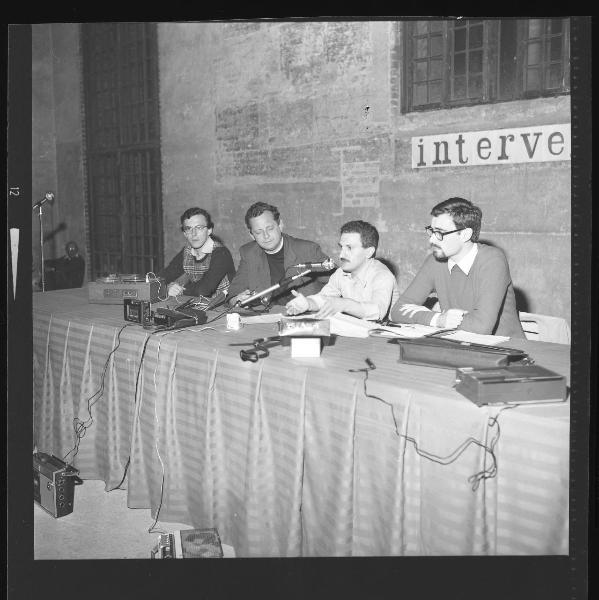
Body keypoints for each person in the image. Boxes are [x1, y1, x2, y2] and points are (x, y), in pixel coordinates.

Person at [389, 197, 525, 337]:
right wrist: (438, 319)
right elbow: (397, 310)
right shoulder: (435, 261)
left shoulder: (492, 260)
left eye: (440, 233)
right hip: (460, 344)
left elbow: (481, 327)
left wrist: (437, 319)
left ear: (465, 234)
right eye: (431, 231)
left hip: (507, 351)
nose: (432, 239)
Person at [285, 220, 399, 321]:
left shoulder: (382, 275)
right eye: (341, 247)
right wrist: (307, 303)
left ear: (369, 252)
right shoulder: (341, 273)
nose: (341, 255)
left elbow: (377, 312)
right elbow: (325, 298)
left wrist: (344, 304)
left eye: (349, 248)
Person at [227, 202, 330, 307]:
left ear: (280, 225)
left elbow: (338, 284)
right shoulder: (249, 253)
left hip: (305, 316)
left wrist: (314, 303)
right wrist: (236, 299)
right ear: (252, 235)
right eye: (258, 232)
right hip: (267, 317)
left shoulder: (307, 250)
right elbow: (233, 292)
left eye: (270, 229)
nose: (266, 236)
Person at [159, 207, 235, 299]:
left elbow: (204, 289)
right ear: (184, 233)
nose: (193, 233)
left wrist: (178, 290)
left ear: (209, 230)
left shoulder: (221, 253)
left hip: (224, 307)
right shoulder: (187, 252)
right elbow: (164, 277)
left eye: (199, 227)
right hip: (199, 305)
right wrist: (167, 288)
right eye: (188, 228)